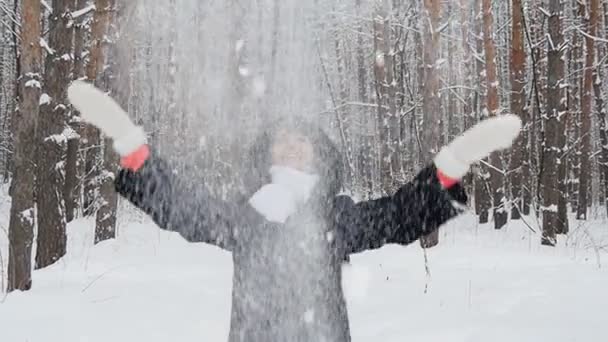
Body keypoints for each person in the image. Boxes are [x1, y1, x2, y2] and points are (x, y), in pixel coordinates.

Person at [67, 81, 522, 342]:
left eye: (300, 140)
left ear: (318, 156)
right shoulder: (248, 217)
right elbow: (185, 209)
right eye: (281, 139)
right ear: (266, 156)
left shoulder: (335, 217)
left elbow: (400, 215)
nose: (289, 146)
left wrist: (453, 162)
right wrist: (132, 148)